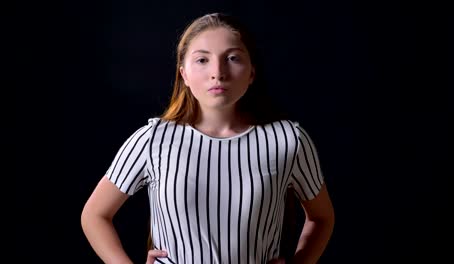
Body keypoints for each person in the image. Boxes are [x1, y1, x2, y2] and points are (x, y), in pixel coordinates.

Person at [81, 12, 335, 264]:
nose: (218, 72)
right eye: (202, 60)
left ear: (252, 72)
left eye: (233, 58)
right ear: (184, 74)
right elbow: (94, 215)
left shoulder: (287, 140)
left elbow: (322, 218)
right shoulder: (153, 140)